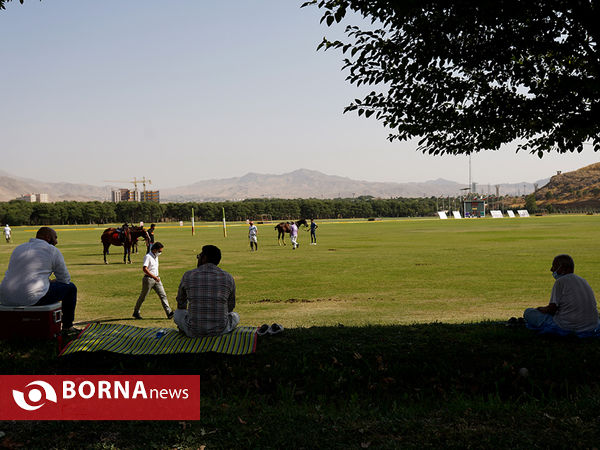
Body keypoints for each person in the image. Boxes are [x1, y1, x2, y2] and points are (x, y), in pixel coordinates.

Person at [0, 227, 78, 333]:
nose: (56, 241)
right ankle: (67, 327)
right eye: (55, 238)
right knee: (71, 288)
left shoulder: (18, 248)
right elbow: (65, 280)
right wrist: (52, 281)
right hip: (32, 297)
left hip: (5, 297)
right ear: (47, 237)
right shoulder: (52, 250)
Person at [523, 254, 600, 335]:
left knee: (529, 312)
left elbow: (552, 309)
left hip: (568, 326)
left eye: (554, 266)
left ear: (563, 268)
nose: (551, 269)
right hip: (592, 325)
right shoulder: (583, 280)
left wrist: (540, 309)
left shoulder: (561, 281)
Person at [174, 245, 239, 337]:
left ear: (204, 258)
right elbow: (230, 306)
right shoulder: (228, 277)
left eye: (199, 256)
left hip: (193, 331)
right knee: (235, 316)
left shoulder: (188, 275)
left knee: (177, 313)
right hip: (220, 330)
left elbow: (181, 304)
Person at [132, 242, 174, 320]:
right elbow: (145, 269)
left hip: (157, 279)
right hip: (148, 280)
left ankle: (169, 313)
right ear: (154, 250)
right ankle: (136, 312)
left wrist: (156, 277)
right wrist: (154, 277)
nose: (160, 253)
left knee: (163, 295)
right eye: (159, 251)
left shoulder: (156, 256)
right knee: (143, 297)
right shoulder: (148, 257)